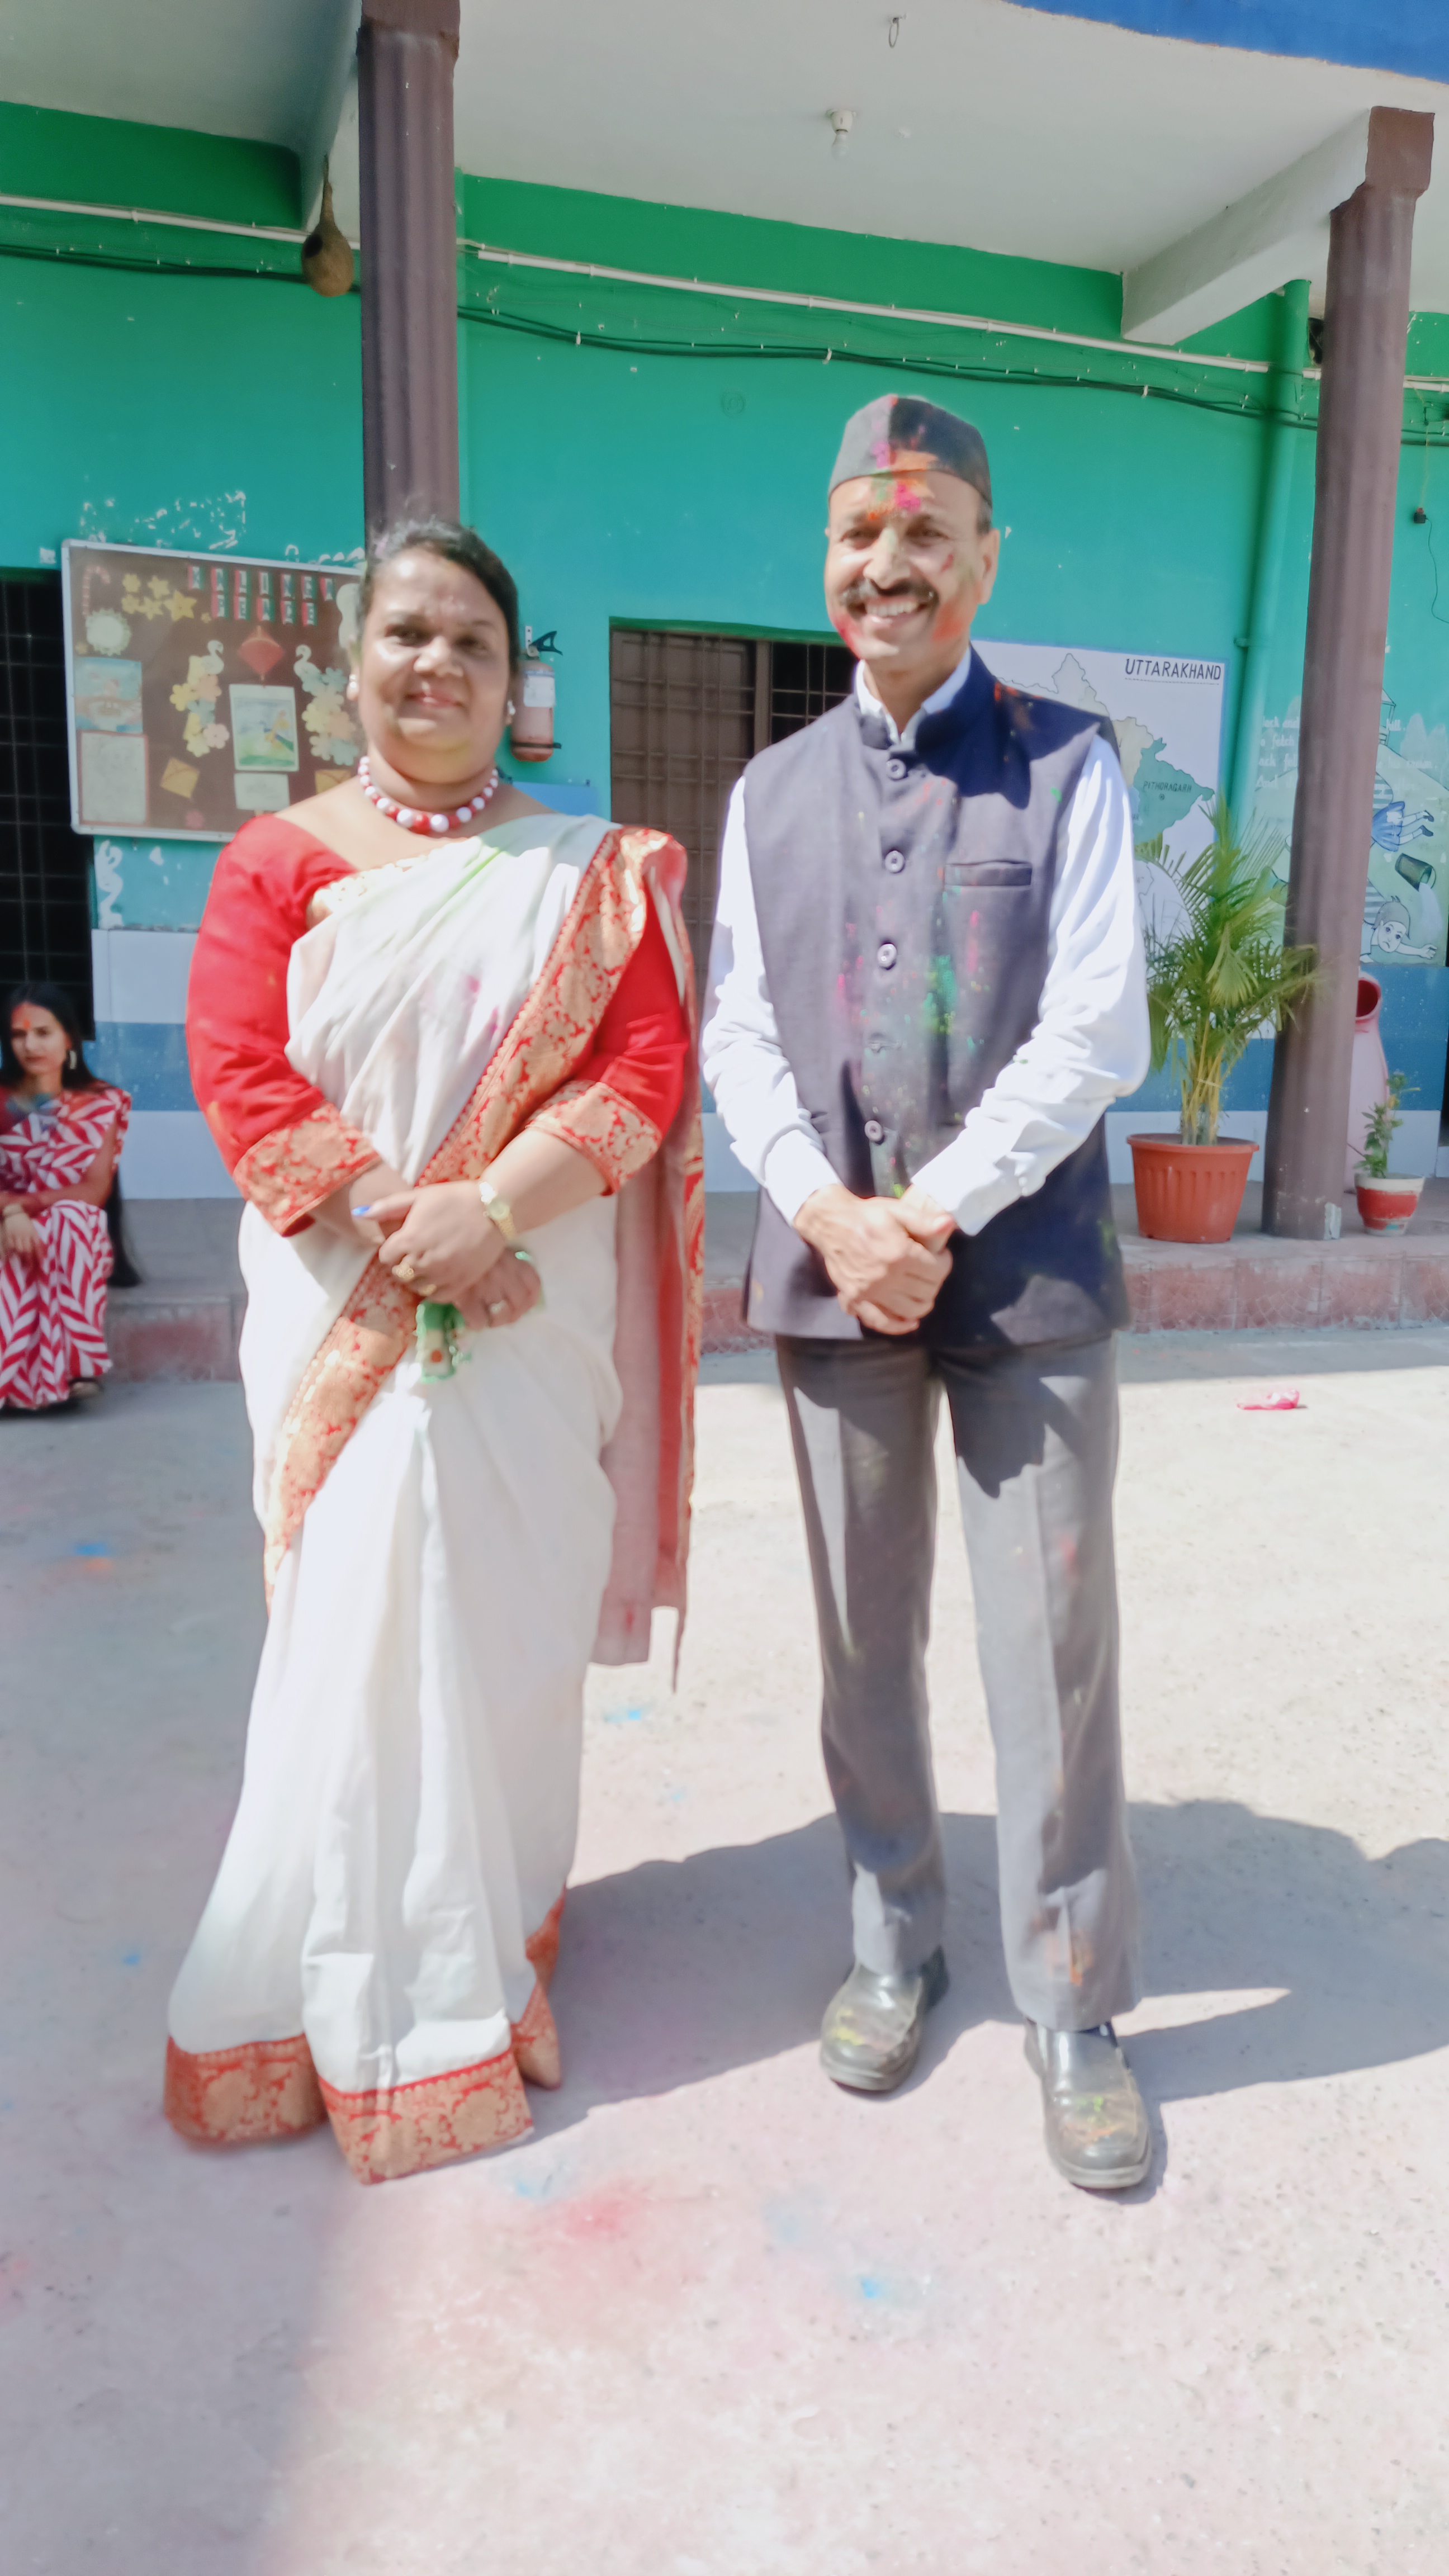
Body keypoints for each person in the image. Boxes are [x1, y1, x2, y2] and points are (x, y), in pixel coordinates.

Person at [165, 518, 700, 2186]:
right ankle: (328, 1997)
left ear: (512, 675)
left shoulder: (589, 874)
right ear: (351, 667)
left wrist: (496, 1212)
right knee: (357, 1636)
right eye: (405, 633)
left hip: (529, 1303)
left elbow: (643, 1069)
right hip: (345, 1294)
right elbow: (238, 1066)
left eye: (471, 638)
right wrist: (418, 1229)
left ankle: (492, 1928)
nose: (437, 664)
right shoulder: (278, 860)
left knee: (500, 1631)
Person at [702, 396, 1153, 2190]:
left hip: (1026, 1279)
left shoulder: (1070, 765)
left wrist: (930, 1215)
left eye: (924, 532)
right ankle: (894, 1938)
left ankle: (1076, 2001)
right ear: (826, 558)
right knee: (862, 1636)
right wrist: (830, 1212)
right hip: (832, 1274)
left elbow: (1098, 1025)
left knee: (1052, 1643)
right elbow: (740, 1032)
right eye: (858, 535)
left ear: (985, 557)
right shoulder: (768, 793)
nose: (886, 565)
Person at [1, 984, 132, 1411]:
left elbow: (93, 1190)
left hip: (62, 1219)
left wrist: (22, 1208)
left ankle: (76, 1368)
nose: (31, 1046)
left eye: (43, 1032)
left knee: (73, 1219)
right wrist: (9, 1213)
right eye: (19, 1035)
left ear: (69, 1038)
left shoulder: (99, 1102)